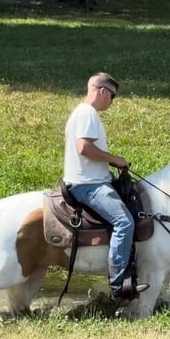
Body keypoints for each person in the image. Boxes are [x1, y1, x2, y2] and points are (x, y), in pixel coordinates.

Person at [63, 72, 149, 300]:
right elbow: (84, 148)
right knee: (124, 222)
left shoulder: (84, 113)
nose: (112, 101)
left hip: (95, 179)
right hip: (88, 185)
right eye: (112, 96)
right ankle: (118, 285)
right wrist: (114, 159)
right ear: (102, 91)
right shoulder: (87, 113)